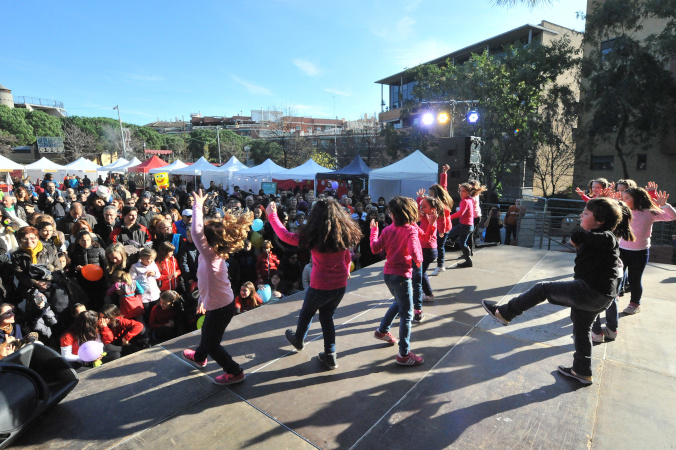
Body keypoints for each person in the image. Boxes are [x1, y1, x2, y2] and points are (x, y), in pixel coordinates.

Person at [483, 197, 634, 385]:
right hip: (601, 296)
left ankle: (505, 313)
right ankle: (582, 371)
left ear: (600, 221)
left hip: (591, 292)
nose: (581, 214)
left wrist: (579, 235)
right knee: (581, 329)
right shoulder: (598, 237)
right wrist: (581, 237)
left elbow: (584, 238)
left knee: (543, 288)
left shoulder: (605, 237)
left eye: (586, 213)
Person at [266, 197, 362, 369]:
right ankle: (330, 354)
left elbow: (285, 236)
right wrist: (347, 269)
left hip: (320, 285)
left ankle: (298, 339)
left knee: (306, 312)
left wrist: (272, 216)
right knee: (327, 317)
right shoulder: (344, 232)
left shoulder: (314, 237)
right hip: (340, 285)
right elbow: (347, 255)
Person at [181, 190, 253, 386]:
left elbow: (196, 231)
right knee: (207, 331)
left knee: (212, 343)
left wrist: (197, 206)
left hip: (220, 307)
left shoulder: (210, 253)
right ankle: (199, 356)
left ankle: (235, 371)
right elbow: (207, 284)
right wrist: (202, 301)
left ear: (207, 241)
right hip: (219, 303)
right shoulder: (214, 252)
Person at [370, 196, 424, 366]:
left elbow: (375, 248)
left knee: (398, 302)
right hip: (402, 276)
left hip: (388, 275)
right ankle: (404, 354)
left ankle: (382, 331)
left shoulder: (387, 230)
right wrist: (419, 260)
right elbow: (415, 251)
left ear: (393, 214)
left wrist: (373, 232)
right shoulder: (411, 230)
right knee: (407, 315)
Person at [617, 188, 675, 315]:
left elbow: (672, 216)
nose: (623, 200)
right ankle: (613, 298)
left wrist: (664, 205)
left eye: (627, 198)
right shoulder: (621, 211)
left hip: (640, 253)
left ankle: (635, 304)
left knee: (634, 280)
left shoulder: (649, 212)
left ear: (637, 199)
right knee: (617, 277)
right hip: (621, 251)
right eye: (623, 197)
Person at [412, 192, 441, 321]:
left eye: (425, 206)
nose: (422, 209)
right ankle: (428, 293)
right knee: (421, 272)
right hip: (430, 250)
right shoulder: (429, 216)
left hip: (427, 250)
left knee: (420, 273)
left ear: (432, 209)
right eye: (422, 206)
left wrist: (420, 200)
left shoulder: (430, 218)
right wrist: (420, 199)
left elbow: (419, 214)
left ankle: (428, 294)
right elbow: (418, 210)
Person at [429, 165, 454, 276]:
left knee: (440, 247)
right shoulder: (442, 196)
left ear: (436, 194)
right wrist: (444, 173)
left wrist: (441, 231)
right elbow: (443, 185)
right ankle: (440, 264)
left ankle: (440, 266)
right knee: (440, 246)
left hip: (443, 228)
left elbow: (443, 218)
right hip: (444, 227)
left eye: (431, 195)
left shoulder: (440, 204)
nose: (429, 197)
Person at [446, 182, 477, 268]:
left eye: (463, 191)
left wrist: (448, 217)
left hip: (465, 225)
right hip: (469, 225)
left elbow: (460, 213)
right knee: (462, 243)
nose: (461, 193)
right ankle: (468, 261)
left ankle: (450, 242)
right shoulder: (470, 199)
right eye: (460, 191)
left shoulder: (465, 201)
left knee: (447, 234)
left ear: (468, 192)